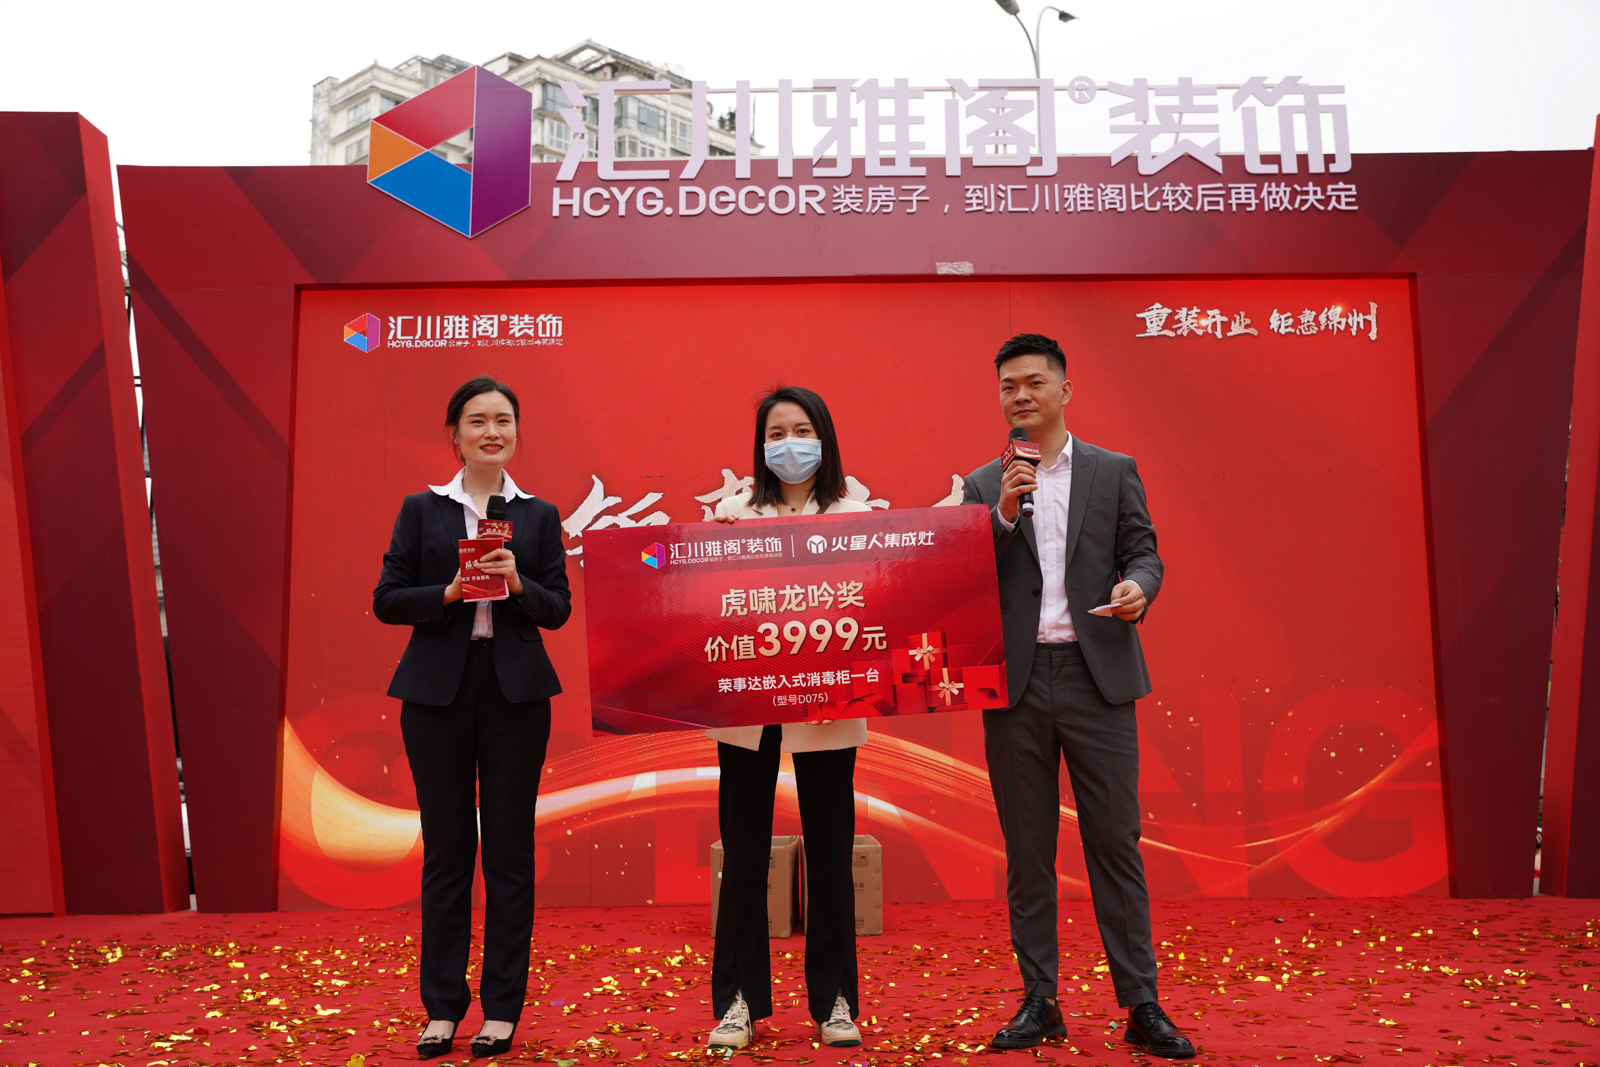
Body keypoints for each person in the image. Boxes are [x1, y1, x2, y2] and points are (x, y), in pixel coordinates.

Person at [961, 335, 1194, 1058]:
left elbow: (1143, 551)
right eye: (1008, 386)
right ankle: (1040, 999)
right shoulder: (983, 483)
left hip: (1099, 679)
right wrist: (1003, 512)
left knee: (1114, 840)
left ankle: (1141, 1002)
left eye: (1034, 382)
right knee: (1028, 847)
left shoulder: (1113, 470)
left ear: (1065, 390)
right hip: (1017, 685)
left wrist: (1139, 589)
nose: (1021, 396)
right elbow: (965, 575)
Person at [373, 376, 572, 1060]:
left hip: (516, 695)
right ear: (454, 434)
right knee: (448, 851)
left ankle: (502, 1009)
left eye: (504, 420)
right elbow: (388, 598)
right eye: (478, 420)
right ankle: (441, 1007)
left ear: (517, 432)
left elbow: (558, 607)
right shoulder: (421, 510)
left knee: (510, 853)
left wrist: (518, 581)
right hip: (438, 695)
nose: (493, 431)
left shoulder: (537, 514)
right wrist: (451, 591)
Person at [703, 386, 871, 1051]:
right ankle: (737, 1001)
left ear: (823, 438)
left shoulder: (858, 515)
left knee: (830, 850)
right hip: (748, 700)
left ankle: (835, 1000)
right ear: (760, 445)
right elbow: (697, 600)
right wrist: (708, 553)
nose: (789, 444)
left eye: (802, 430)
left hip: (828, 701)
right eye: (776, 433)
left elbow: (878, 603)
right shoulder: (731, 514)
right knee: (744, 852)